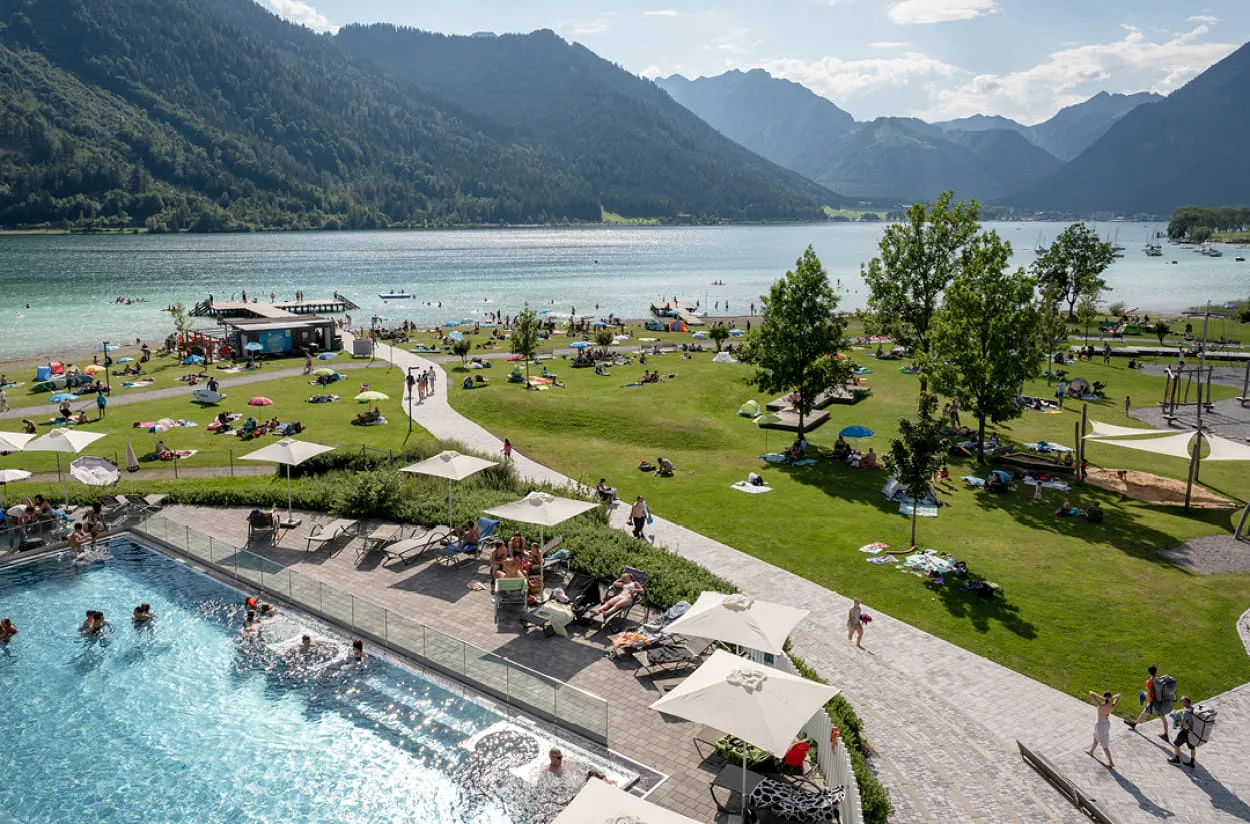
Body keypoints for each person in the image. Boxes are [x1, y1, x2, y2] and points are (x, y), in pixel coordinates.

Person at [1125, 665, 1171, 740]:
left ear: (1149, 673)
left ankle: (1134, 724)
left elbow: (1149, 695)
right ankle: (1166, 734)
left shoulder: (1149, 682)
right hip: (1161, 702)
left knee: (1145, 713)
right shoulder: (1160, 680)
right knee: (1161, 718)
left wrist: (1143, 693)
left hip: (1153, 703)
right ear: (1156, 672)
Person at [1086, 690, 1120, 767]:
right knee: (1095, 736)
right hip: (1106, 723)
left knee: (1104, 745)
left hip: (1100, 724)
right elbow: (1119, 696)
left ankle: (1111, 762)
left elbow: (1091, 693)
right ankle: (1091, 751)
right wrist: (1111, 698)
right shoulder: (1112, 705)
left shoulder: (1100, 705)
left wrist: (1101, 697)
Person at [1168, 696, 1197, 769]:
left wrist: (1176, 720)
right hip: (1192, 731)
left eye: (1182, 702)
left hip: (1185, 731)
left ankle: (1176, 760)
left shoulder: (1186, 712)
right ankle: (1192, 762)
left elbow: (1182, 722)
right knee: (1192, 747)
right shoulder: (1193, 709)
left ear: (1186, 703)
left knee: (1176, 744)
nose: (1182, 703)